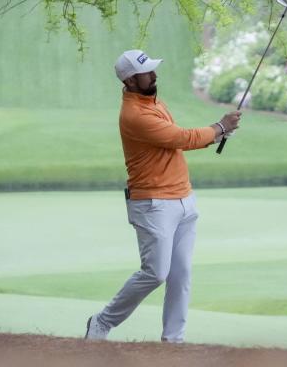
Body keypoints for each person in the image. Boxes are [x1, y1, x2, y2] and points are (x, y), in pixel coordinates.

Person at [85, 49, 242, 343]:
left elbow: (176, 142)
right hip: (152, 204)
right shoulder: (134, 114)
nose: (155, 75)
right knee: (156, 273)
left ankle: (174, 340)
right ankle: (102, 322)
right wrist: (219, 127)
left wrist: (218, 133)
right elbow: (180, 138)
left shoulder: (154, 102)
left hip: (184, 199)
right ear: (131, 81)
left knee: (180, 275)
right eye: (147, 73)